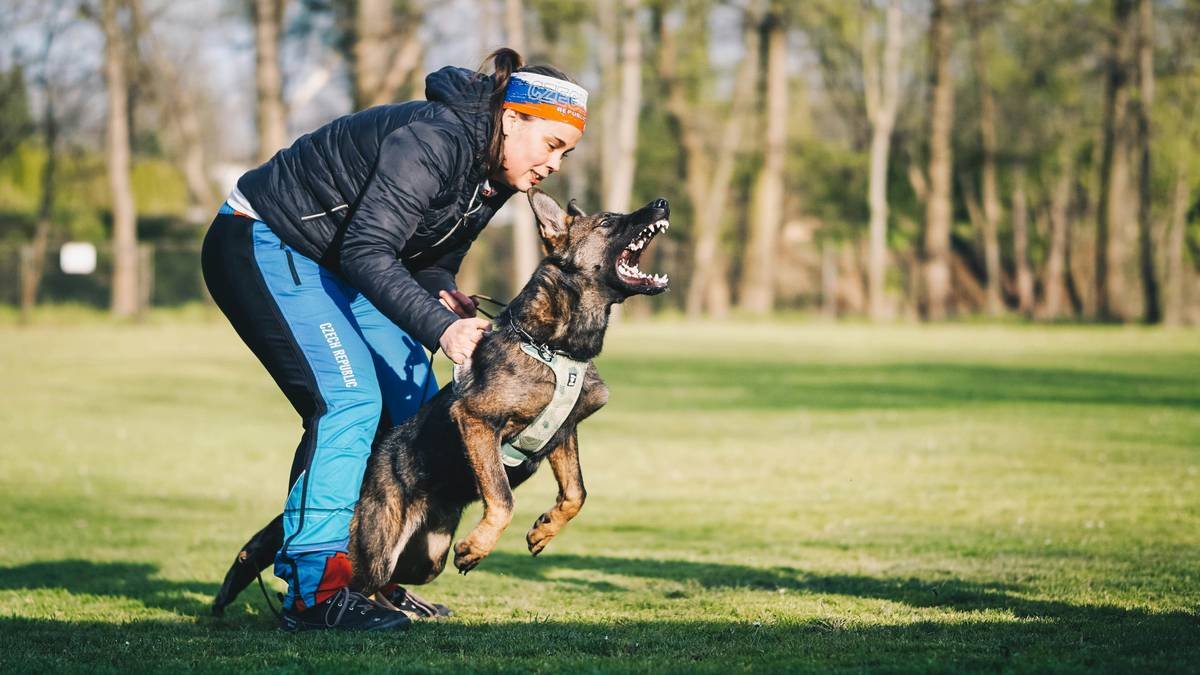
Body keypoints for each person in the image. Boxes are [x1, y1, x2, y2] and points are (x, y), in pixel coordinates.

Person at [201, 48, 586, 632]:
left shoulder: (495, 172)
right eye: (552, 144)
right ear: (512, 119)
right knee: (348, 400)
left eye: (567, 153)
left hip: (342, 263)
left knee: (411, 412)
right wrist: (443, 328)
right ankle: (314, 592)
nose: (555, 164)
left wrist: (442, 294)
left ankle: (369, 579)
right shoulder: (435, 139)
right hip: (266, 240)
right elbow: (365, 249)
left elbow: (428, 261)